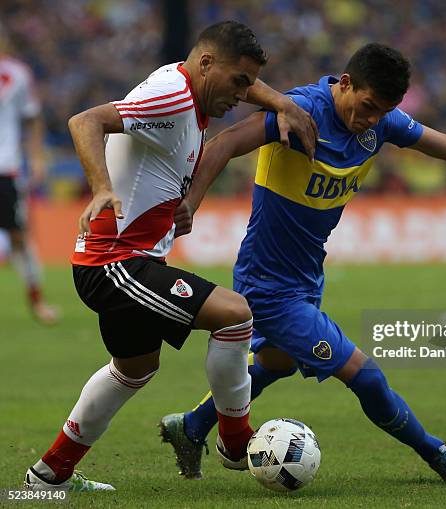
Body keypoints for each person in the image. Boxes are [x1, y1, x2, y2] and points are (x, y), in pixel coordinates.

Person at [160, 43, 446, 484]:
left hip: (307, 274)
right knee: (365, 376)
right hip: (268, 284)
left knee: (276, 365)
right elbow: (225, 142)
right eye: (366, 106)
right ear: (345, 83)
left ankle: (191, 427)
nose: (370, 120)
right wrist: (191, 202)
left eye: (381, 112)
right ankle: (439, 455)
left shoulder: (382, 124)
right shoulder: (301, 111)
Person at [24, 20, 317, 492]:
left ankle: (49, 474)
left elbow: (242, 78)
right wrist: (101, 189)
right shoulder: (173, 96)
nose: (243, 94)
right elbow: (85, 121)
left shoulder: (192, 88)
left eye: (249, 84)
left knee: (133, 370)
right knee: (236, 315)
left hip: (128, 261)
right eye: (238, 82)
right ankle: (236, 441)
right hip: (115, 262)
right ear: (205, 65)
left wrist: (281, 102)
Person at [0, 33, 58, 324]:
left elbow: (33, 117)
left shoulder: (17, 75)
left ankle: (37, 301)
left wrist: (36, 157)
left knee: (19, 237)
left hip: (5, 168)